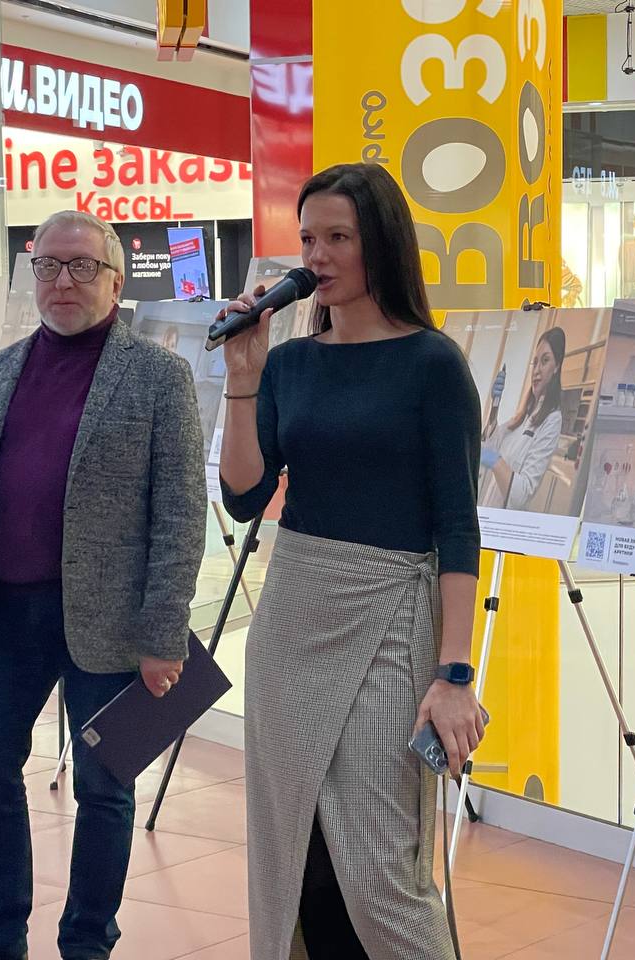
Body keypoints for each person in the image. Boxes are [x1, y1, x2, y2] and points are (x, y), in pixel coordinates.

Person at [218, 162, 485, 960]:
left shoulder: (433, 365)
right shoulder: (289, 364)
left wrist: (455, 673)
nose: (317, 256)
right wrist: (243, 380)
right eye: (308, 238)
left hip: (390, 616)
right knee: (294, 858)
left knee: (379, 872)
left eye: (338, 237)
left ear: (382, 245)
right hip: (291, 615)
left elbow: (458, 529)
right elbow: (244, 495)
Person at [0, 209, 207, 960]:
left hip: (113, 624)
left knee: (104, 787)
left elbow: (181, 514)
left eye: (83, 266)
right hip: (5, 613)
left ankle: (87, 942)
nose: (63, 281)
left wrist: (163, 633)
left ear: (115, 281)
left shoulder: (159, 377)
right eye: (48, 265)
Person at [478, 327, 567, 511]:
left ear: (557, 366)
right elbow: (490, 444)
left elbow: (522, 494)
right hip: (489, 510)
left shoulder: (552, 420)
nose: (537, 370)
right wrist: (495, 405)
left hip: (508, 522)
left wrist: (495, 460)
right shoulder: (524, 414)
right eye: (535, 362)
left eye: (545, 361)